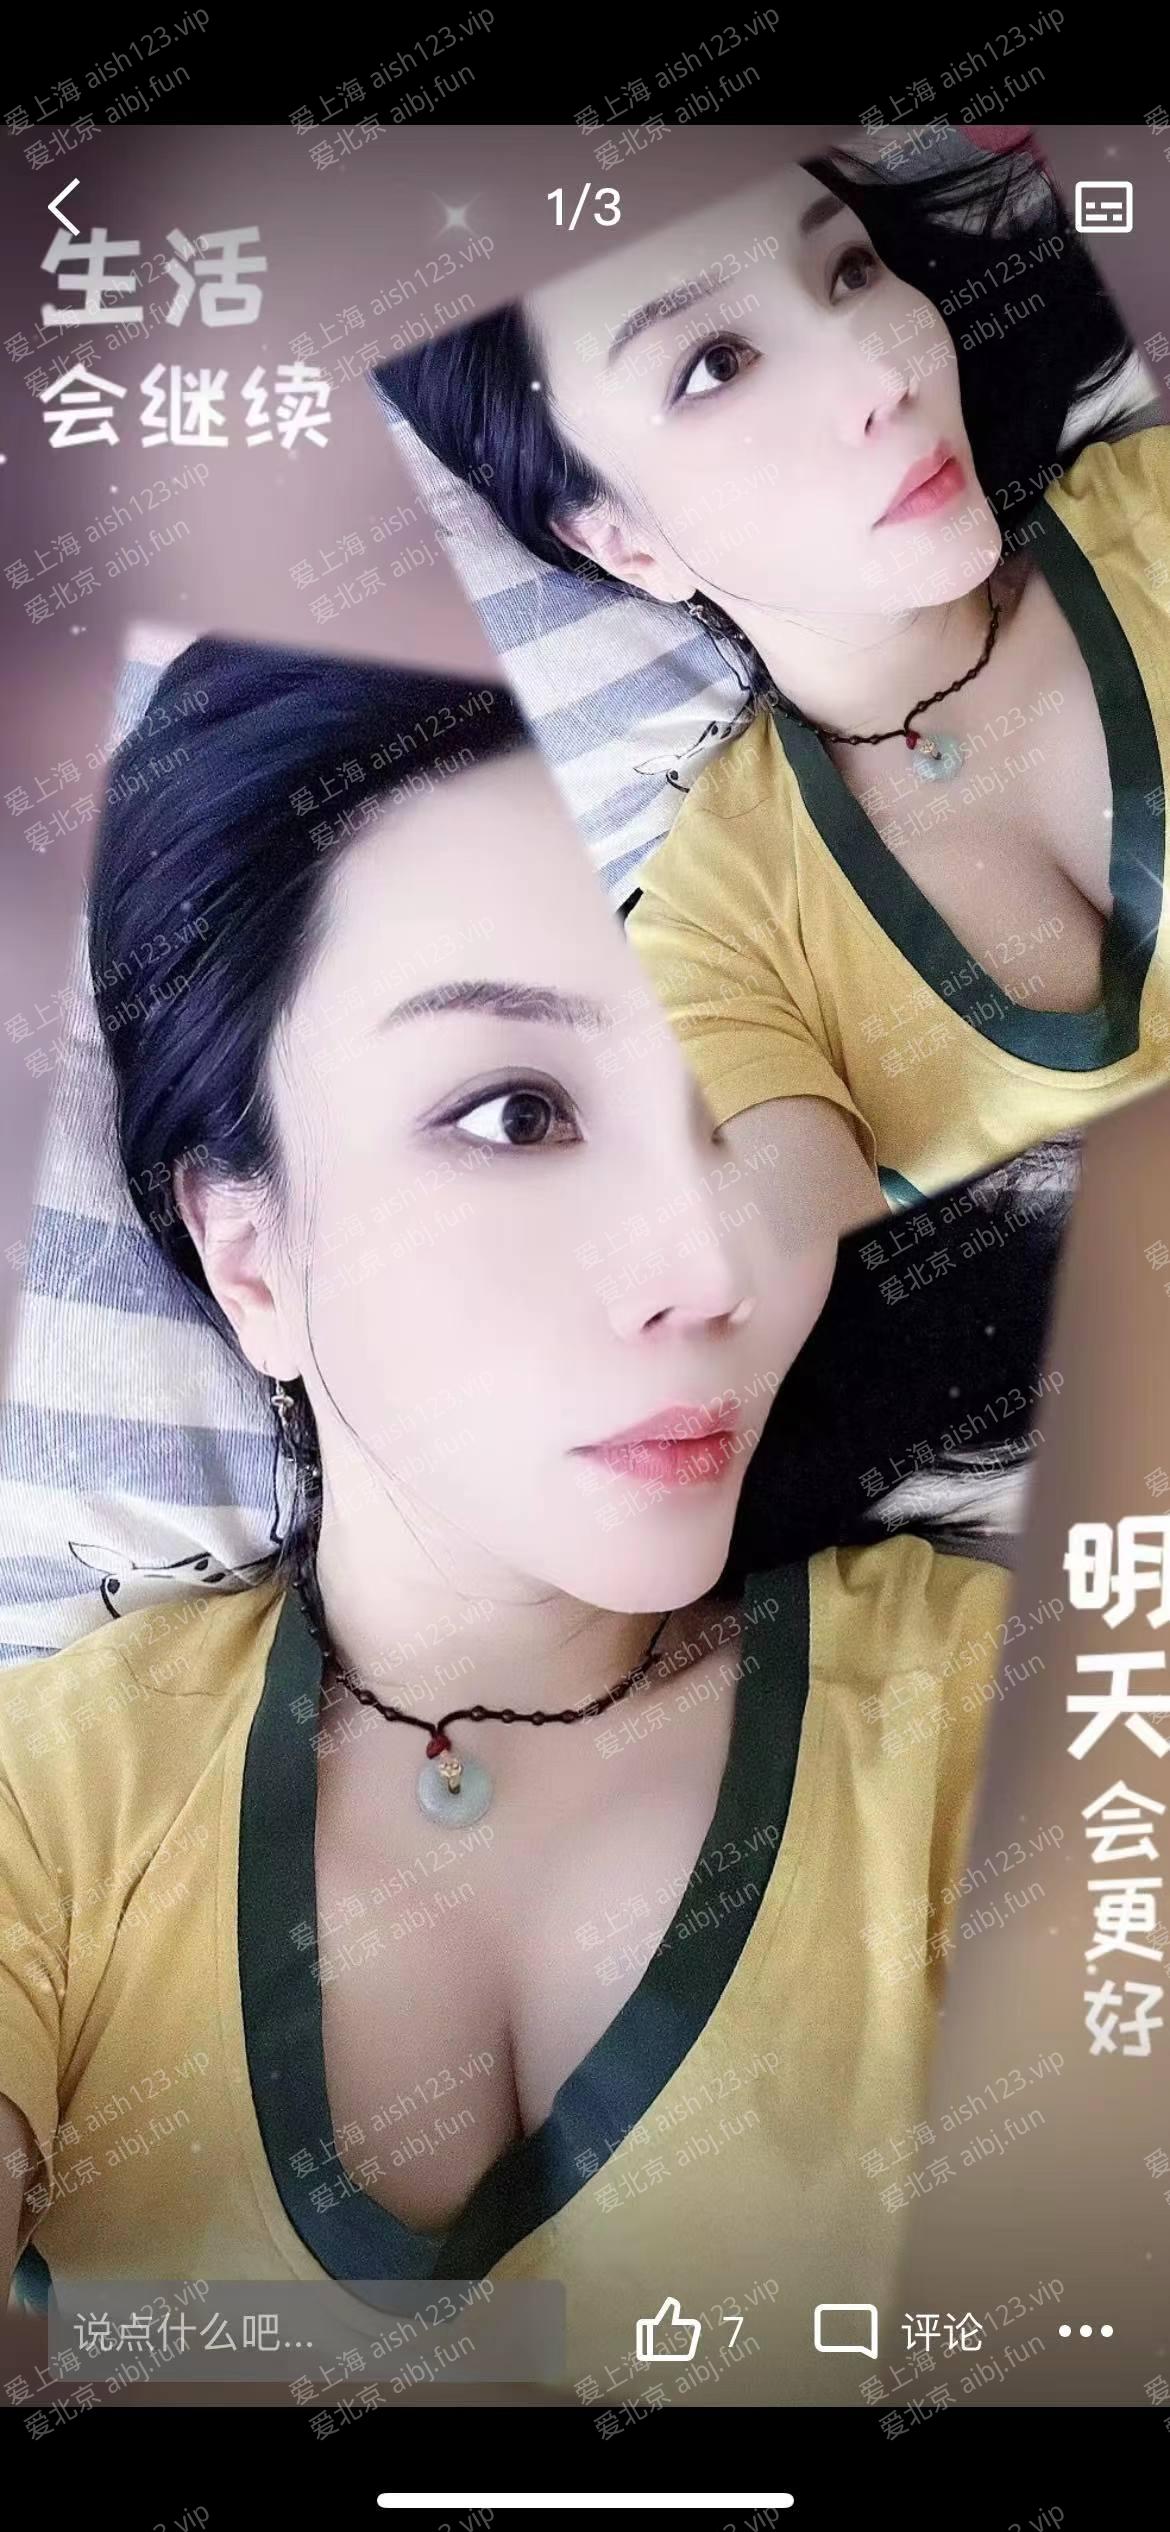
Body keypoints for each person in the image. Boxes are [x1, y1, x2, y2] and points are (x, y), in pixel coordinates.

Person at [0, 638, 1013, 2408]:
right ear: (250, 1252)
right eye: (515, 1112)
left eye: (750, 1108)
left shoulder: (1001, 1706)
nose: (712, 1265)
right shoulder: (58, 1797)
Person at [380, 141, 1170, 1231]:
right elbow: (796, 1265)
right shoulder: (718, 937)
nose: (882, 371)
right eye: (717, 364)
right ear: (619, 540)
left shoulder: (1153, 515)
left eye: (850, 272)